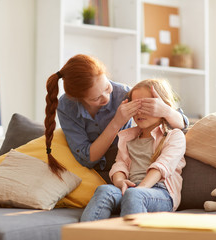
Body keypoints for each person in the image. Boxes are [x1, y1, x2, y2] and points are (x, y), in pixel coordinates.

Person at [44, 54, 188, 181]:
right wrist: (116, 123)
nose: (106, 98)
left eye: (107, 87)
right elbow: (87, 159)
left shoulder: (123, 94)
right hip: (96, 173)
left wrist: (166, 111)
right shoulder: (67, 106)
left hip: (127, 169)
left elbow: (182, 125)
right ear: (78, 99)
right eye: (96, 98)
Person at [80, 78, 186, 221]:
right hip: (131, 189)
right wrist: (120, 181)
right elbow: (120, 164)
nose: (139, 112)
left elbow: (162, 167)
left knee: (133, 195)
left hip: (162, 194)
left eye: (146, 105)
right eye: (135, 106)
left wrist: (139, 189)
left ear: (162, 106)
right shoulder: (128, 137)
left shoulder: (174, 136)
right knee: (104, 190)